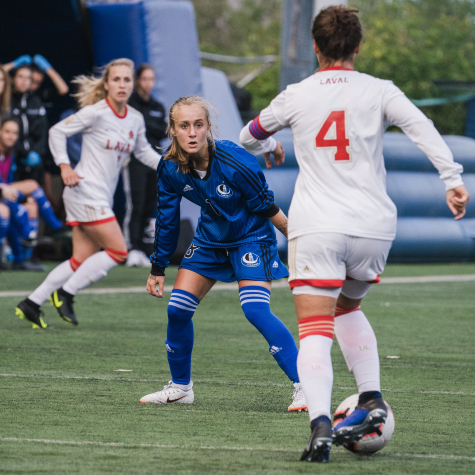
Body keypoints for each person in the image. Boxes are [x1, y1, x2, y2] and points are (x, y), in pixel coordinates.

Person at [239, 5, 469, 463]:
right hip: (373, 227)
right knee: (348, 307)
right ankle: (370, 399)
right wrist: (452, 178)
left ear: (316, 47)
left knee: (315, 328)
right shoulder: (380, 90)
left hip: (317, 225)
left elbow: (248, 135)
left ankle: (321, 423)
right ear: (358, 46)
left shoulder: (297, 94)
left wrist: (269, 146)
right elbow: (421, 127)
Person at [140, 96, 307, 412]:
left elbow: (268, 207)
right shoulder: (170, 167)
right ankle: (180, 388)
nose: (192, 133)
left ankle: (305, 385)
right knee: (177, 310)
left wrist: (299, 243)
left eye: (198, 125)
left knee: (255, 310)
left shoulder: (234, 160)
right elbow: (167, 217)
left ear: (208, 128)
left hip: (251, 237)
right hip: (210, 239)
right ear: (173, 130)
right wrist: (158, 267)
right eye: (184, 126)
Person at [15, 58, 161, 329]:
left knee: (79, 259)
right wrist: (65, 166)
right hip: (83, 190)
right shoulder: (96, 112)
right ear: (106, 84)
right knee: (119, 251)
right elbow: (57, 132)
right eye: (116, 79)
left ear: (132, 84)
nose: (121, 84)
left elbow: (143, 152)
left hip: (99, 197)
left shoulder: (135, 119)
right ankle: (66, 293)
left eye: (126, 79)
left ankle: (32, 303)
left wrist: (169, 167)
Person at [0, 117, 61, 270]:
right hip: (3, 195)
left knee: (31, 205)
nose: (11, 136)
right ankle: (29, 239)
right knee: (6, 210)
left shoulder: (11, 154)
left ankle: (25, 257)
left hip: (6, 194)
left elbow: (10, 182)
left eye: (15, 133)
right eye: (7, 132)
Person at [123, 64, 167, 267]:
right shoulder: (129, 104)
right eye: (144, 79)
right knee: (136, 205)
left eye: (152, 79)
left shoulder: (158, 107)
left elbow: (164, 132)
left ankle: (141, 248)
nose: (148, 83)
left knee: (150, 205)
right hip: (134, 161)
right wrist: (149, 125)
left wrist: (146, 123)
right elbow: (134, 128)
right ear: (137, 80)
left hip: (153, 160)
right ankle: (131, 247)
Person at [9, 65, 48, 182]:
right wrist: (22, 153)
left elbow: (43, 131)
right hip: (13, 157)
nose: (24, 81)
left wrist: (37, 153)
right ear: (12, 79)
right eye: (20, 76)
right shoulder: (7, 101)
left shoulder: (36, 102)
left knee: (33, 196)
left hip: (34, 161)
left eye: (28, 78)